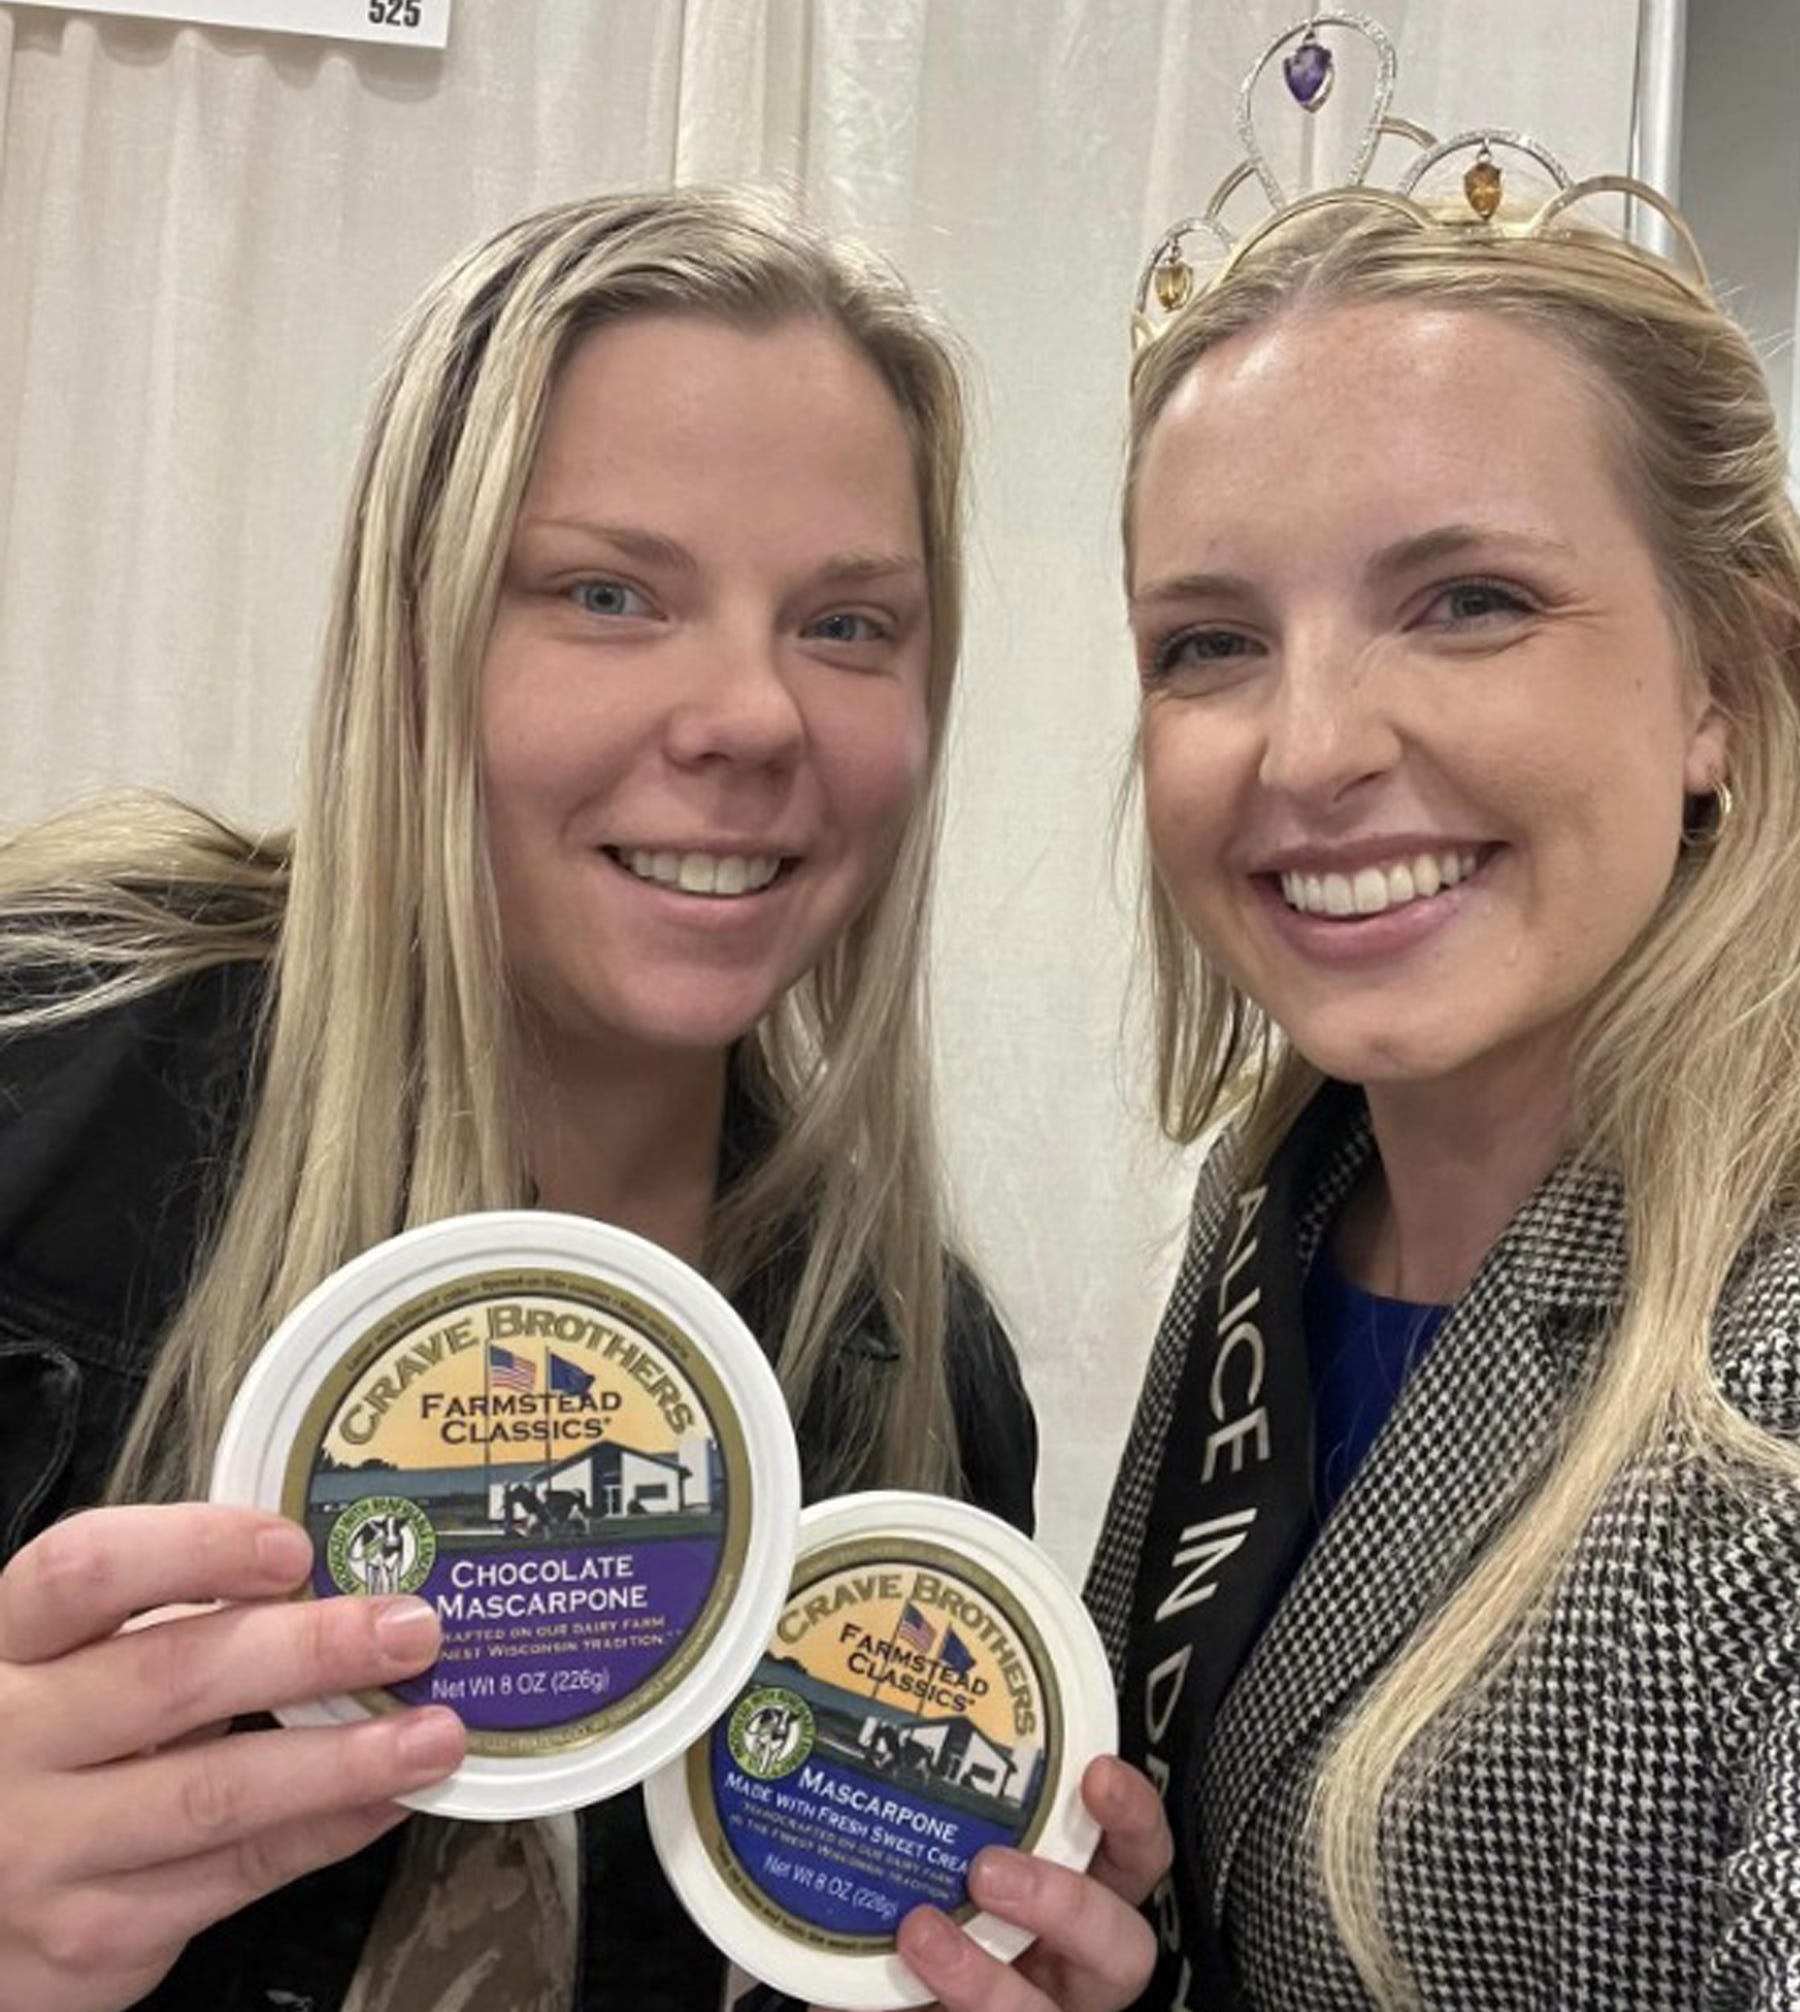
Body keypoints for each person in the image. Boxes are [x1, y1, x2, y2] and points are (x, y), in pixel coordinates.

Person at [0, 187, 1164, 2012]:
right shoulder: (44, 1058)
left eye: (850, 626)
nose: (752, 716)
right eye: (609, 594)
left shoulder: (919, 1398)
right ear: (418, 633)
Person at [1087, 60, 1800, 2012]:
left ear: (1725, 680)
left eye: (1468, 600)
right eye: (1210, 642)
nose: (1310, 749)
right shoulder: (1290, 1204)